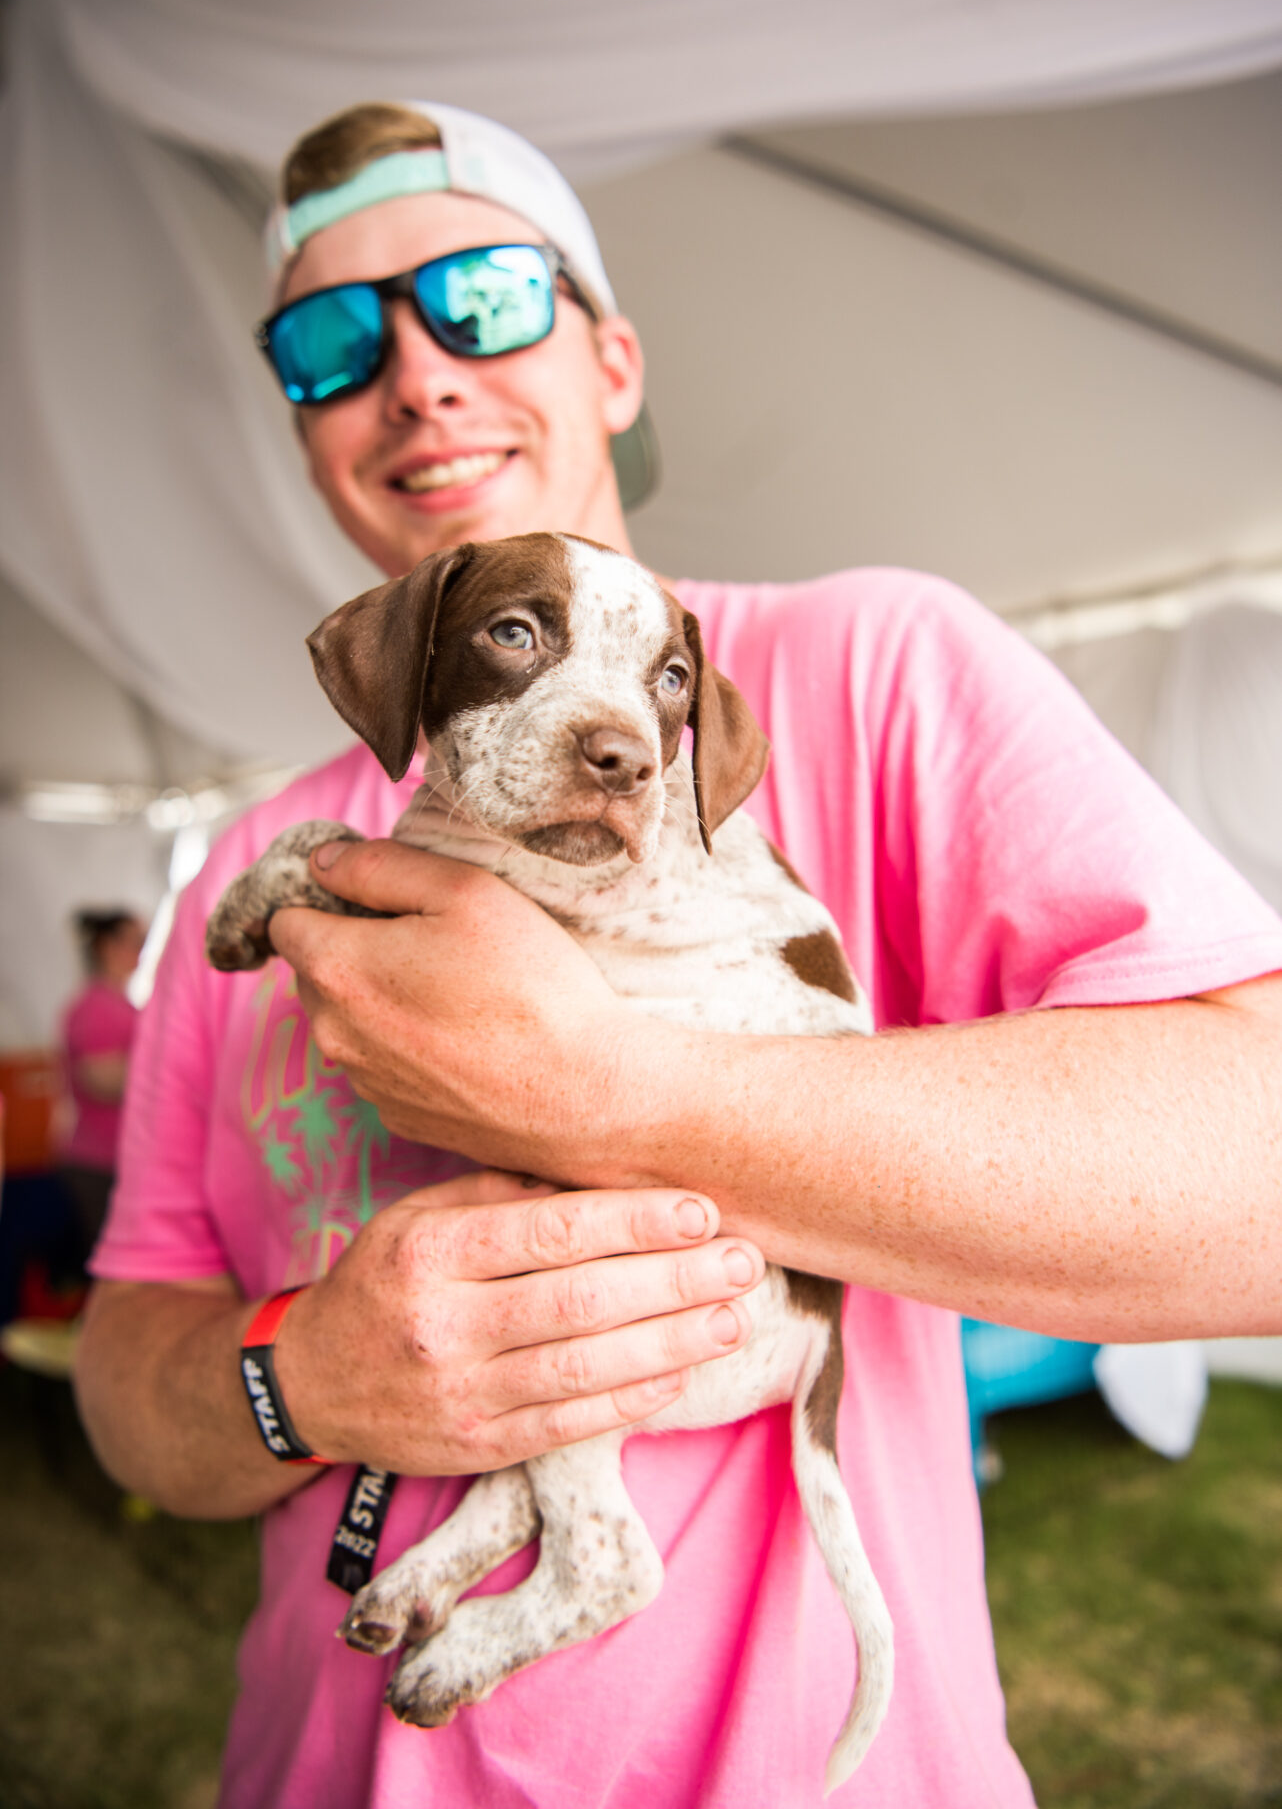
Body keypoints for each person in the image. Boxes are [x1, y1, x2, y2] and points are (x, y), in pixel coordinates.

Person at [74, 101, 1282, 1809]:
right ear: (301, 418)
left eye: (485, 298)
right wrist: (306, 1377)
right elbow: (130, 1384)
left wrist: (603, 1090)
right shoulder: (253, 870)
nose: (415, 377)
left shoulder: (871, 673)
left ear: (615, 359)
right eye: (333, 342)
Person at [59, 908, 145, 1269]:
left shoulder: (120, 1003)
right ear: (107, 947)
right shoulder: (96, 1005)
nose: (140, 949)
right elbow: (100, 1078)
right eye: (134, 941)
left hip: (116, 1157)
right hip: (98, 1161)